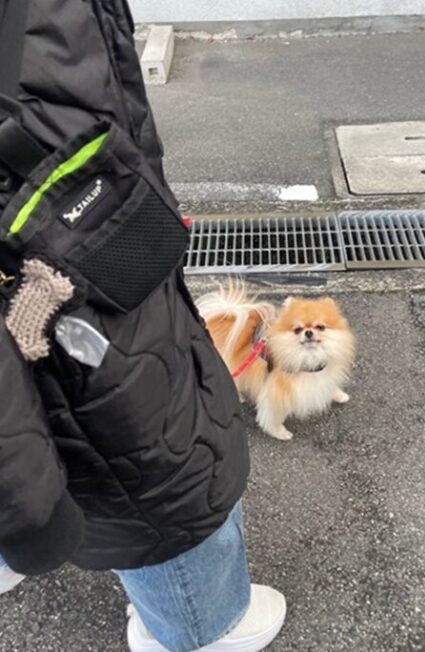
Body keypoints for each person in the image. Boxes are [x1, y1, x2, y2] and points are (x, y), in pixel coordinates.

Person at [0, 1, 285, 650]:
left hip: (72, 173)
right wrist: (25, 511)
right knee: (147, 439)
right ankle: (199, 626)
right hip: (53, 217)